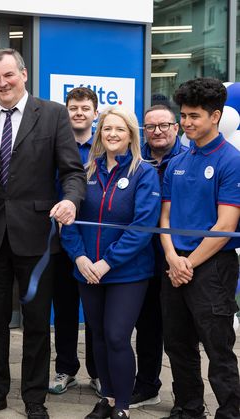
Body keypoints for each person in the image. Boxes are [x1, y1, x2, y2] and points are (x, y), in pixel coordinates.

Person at [0, 48, 86, 419]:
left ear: (24, 74)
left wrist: (73, 201)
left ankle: (34, 399)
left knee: (35, 323)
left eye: (8, 75)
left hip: (36, 236)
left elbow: (73, 172)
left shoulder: (52, 114)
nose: (2, 84)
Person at [60, 106, 160, 419]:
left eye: (119, 129)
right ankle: (107, 398)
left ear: (130, 134)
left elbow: (143, 226)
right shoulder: (86, 171)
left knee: (117, 335)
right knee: (99, 336)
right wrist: (80, 257)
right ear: (99, 133)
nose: (112, 134)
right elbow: (68, 220)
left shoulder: (144, 172)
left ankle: (123, 407)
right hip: (87, 269)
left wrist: (107, 263)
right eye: (107, 129)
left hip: (127, 273)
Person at [160, 77, 240, 419]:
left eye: (194, 116)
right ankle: (189, 408)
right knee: (177, 344)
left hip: (213, 268)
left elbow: (225, 227)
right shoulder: (176, 162)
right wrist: (171, 258)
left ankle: (231, 411)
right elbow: (163, 218)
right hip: (175, 263)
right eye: (184, 115)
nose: (186, 123)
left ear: (216, 116)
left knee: (218, 348)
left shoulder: (231, 160)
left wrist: (187, 264)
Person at [129, 104, 187, 410]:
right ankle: (147, 385)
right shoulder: (138, 162)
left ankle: (185, 397)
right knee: (148, 326)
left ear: (176, 127)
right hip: (144, 259)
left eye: (164, 125)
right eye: (150, 127)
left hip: (180, 259)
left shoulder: (189, 159)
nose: (157, 132)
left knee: (179, 333)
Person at [49, 86, 99, 396]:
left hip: (94, 244)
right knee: (64, 310)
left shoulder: (105, 146)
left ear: (95, 113)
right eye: (73, 108)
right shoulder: (54, 147)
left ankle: (98, 372)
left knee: (95, 313)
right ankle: (65, 368)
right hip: (59, 243)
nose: (78, 112)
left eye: (84, 108)